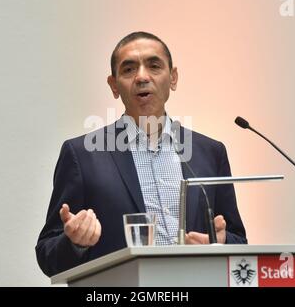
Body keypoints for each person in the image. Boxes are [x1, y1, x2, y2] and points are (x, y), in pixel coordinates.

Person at [36, 31, 247, 277]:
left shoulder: (210, 152)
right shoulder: (82, 155)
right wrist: (75, 242)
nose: (142, 77)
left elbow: (238, 241)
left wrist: (220, 243)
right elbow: (47, 254)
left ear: (173, 78)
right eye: (128, 70)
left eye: (154, 66)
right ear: (114, 85)